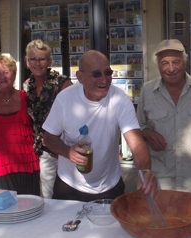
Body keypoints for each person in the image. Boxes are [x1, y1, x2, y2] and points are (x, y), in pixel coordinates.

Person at [42, 50, 157, 201]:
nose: (104, 79)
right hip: (69, 186)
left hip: (109, 186)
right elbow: (48, 137)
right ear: (80, 77)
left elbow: (136, 142)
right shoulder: (65, 99)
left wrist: (146, 171)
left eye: (108, 72)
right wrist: (67, 151)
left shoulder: (120, 99)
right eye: (96, 74)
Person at [137, 39, 191, 194]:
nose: (171, 68)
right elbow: (138, 127)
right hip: (159, 183)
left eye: (176, 62)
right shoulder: (147, 91)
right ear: (158, 66)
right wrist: (147, 133)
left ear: (185, 63)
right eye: (164, 63)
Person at [23, 40, 73, 198]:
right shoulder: (26, 86)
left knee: (70, 191)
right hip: (43, 150)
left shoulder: (63, 83)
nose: (37, 63)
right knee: (48, 194)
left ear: (49, 61)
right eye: (33, 59)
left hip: (65, 147)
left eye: (42, 59)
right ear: (27, 62)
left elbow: (75, 115)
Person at [0, 55, 40, 195]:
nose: (2, 77)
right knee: (5, 210)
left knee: (31, 207)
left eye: (6, 72)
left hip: (28, 163)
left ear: (14, 75)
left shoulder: (27, 98)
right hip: (1, 166)